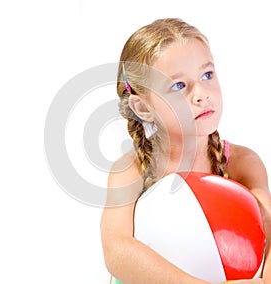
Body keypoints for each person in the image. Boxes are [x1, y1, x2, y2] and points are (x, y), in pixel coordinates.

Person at [100, 18, 271, 283]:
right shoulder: (130, 170)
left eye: (207, 75)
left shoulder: (242, 163)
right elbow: (118, 252)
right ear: (143, 108)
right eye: (179, 86)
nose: (201, 93)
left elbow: (269, 235)